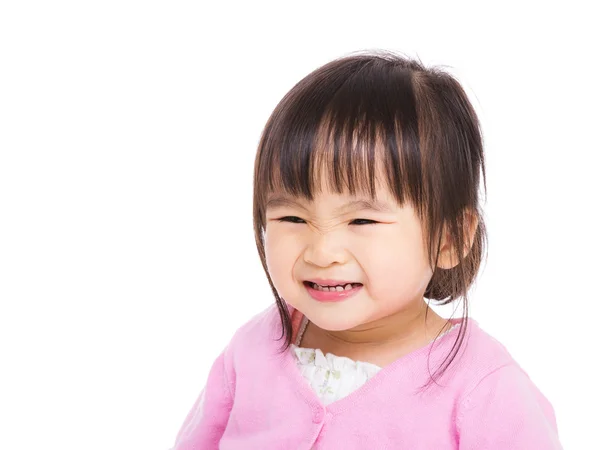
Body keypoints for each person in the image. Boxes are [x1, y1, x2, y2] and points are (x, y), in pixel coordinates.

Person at [170, 50, 563, 449]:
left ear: (449, 238)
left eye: (361, 221)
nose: (322, 252)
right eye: (292, 218)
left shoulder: (487, 390)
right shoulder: (251, 349)